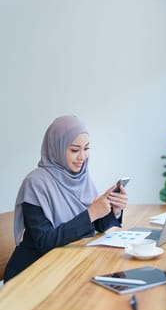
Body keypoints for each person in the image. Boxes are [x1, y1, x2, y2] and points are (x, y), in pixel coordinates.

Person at [4, 115, 128, 282]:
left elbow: (95, 226)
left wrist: (115, 209)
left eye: (86, 148)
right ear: (57, 148)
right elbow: (44, 242)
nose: (82, 157)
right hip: (31, 274)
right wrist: (91, 213)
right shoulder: (35, 183)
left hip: (65, 269)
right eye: (75, 150)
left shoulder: (81, 177)